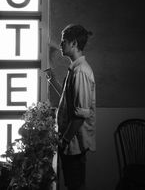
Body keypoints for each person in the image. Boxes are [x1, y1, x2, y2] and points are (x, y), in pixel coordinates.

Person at [46, 24, 96, 190]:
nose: (60, 44)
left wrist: (64, 140)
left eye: (64, 41)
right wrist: (52, 81)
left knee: (75, 186)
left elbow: (80, 115)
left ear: (74, 43)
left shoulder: (80, 71)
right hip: (70, 144)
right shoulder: (75, 69)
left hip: (73, 146)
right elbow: (69, 101)